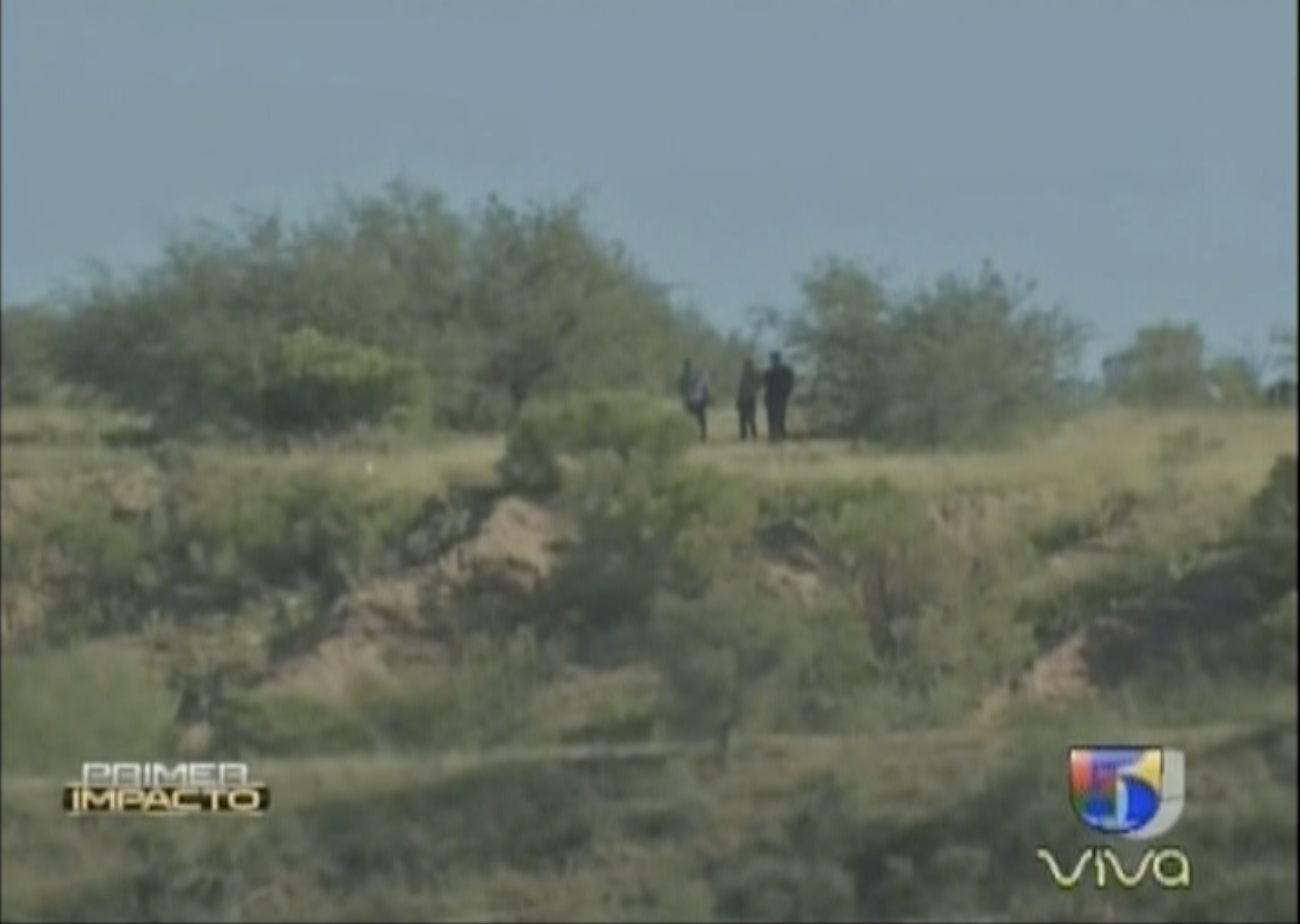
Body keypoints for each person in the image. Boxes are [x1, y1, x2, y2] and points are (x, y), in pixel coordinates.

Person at [763, 351, 795, 442]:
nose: (774, 361)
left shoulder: (784, 371)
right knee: (773, 416)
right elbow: (766, 385)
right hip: (773, 397)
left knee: (780, 416)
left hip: (780, 397)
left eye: (774, 359)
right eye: (773, 359)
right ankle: (774, 434)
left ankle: (779, 433)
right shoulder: (770, 372)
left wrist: (788, 392)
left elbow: (791, 382)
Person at [678, 359, 711, 442]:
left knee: (699, 421)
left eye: (687, 366)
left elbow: (705, 387)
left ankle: (702, 437)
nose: (687, 368)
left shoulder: (694, 376)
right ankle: (699, 437)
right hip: (693, 401)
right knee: (696, 421)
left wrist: (706, 397)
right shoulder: (685, 377)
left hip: (696, 401)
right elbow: (681, 389)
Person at [735, 358, 761, 441]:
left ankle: (754, 434)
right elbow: (740, 389)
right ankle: (743, 435)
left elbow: (760, 384)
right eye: (746, 365)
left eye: (748, 365)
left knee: (751, 418)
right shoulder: (743, 375)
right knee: (742, 418)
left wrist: (754, 391)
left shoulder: (755, 374)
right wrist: (738, 400)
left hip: (751, 399)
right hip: (743, 399)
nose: (747, 367)